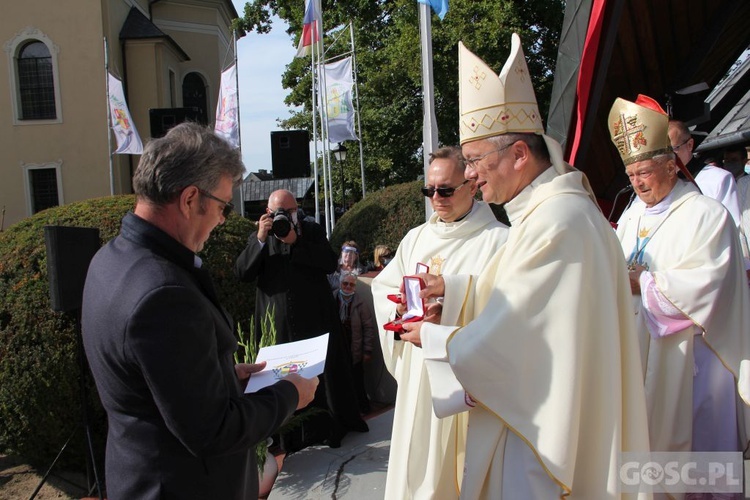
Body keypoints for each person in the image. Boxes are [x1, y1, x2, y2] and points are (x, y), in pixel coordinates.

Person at [400, 35, 651, 498]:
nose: (470, 174)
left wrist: (434, 339)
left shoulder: (557, 221)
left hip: (545, 439)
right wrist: (453, 293)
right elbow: (528, 304)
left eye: (475, 160)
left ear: (518, 154)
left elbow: (515, 340)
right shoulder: (554, 213)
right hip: (550, 415)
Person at [80, 122, 318, 500]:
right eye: (222, 206)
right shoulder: (162, 293)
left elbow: (154, 383)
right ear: (190, 199)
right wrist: (291, 393)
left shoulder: (109, 259)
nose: (223, 220)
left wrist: (222, 376)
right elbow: (213, 430)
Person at [611, 95, 750, 458]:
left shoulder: (706, 214)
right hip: (639, 356)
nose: (637, 184)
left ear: (672, 166)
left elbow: (710, 285)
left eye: (644, 173)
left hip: (694, 363)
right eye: (631, 175)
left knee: (696, 465)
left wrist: (645, 283)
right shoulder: (630, 217)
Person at [371, 145, 508, 499]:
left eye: (445, 190)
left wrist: (449, 307)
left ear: (472, 186)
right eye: (429, 190)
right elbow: (385, 286)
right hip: (419, 370)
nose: (436, 198)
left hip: (462, 376)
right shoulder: (416, 237)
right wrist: (401, 313)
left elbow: (507, 308)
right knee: (414, 456)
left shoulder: (497, 241)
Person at [234, 189, 368, 450]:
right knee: (282, 378)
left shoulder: (311, 231)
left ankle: (328, 427)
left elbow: (331, 263)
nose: (284, 216)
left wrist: (296, 241)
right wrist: (260, 239)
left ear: (297, 210)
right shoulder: (260, 236)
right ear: (268, 213)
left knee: (322, 377)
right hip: (278, 323)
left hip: (314, 318)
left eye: (290, 211)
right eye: (277, 212)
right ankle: (288, 436)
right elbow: (242, 273)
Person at [668, 119, 742, 227]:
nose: (667, 156)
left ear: (689, 145)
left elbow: (733, 226)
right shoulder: (657, 181)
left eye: (673, 149)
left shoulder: (718, 179)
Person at [333, 270, 377, 414]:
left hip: (354, 349)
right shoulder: (332, 299)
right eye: (345, 283)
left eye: (351, 285)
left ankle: (362, 408)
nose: (347, 287)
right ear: (340, 283)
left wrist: (367, 350)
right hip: (337, 348)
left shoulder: (360, 303)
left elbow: (368, 328)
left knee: (357, 381)